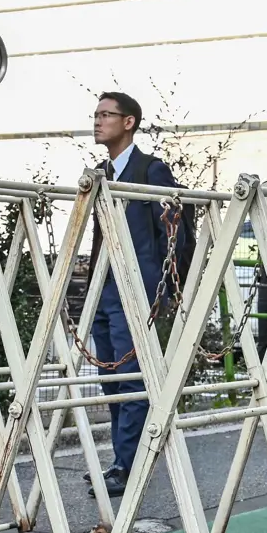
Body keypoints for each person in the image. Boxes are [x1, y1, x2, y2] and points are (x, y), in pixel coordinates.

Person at [88, 91, 187, 497]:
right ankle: (120, 461)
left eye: (106, 115)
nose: (97, 121)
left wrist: (162, 287)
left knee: (132, 379)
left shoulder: (151, 170)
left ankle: (128, 463)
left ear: (128, 122)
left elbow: (173, 231)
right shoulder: (100, 172)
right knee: (110, 376)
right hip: (103, 285)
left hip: (138, 285)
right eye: (95, 115)